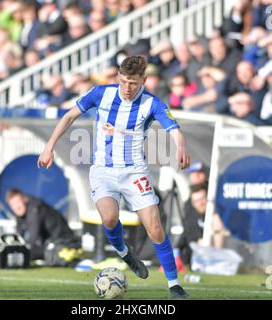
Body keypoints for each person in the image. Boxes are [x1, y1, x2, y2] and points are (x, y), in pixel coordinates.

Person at [38, 56, 191, 299]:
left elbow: (174, 129)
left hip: (135, 171)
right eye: (123, 81)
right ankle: (123, 251)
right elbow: (68, 116)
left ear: (144, 80)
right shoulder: (101, 94)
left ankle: (174, 285)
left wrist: (181, 148)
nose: (127, 88)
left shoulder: (152, 104)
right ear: (118, 77)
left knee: (155, 227)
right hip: (103, 170)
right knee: (109, 218)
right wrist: (49, 147)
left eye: (133, 83)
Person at [6, 188, 81, 261]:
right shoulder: (20, 212)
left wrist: (21, 252)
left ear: (24, 199)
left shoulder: (35, 208)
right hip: (51, 243)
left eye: (17, 202)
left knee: (28, 254)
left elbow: (34, 237)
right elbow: (19, 237)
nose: (16, 207)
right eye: (13, 205)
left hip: (65, 242)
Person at [177, 183, 225, 266]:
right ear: (192, 203)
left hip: (218, 254)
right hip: (194, 257)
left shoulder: (218, 214)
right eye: (196, 201)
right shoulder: (191, 216)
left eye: (202, 199)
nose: (200, 203)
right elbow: (189, 238)